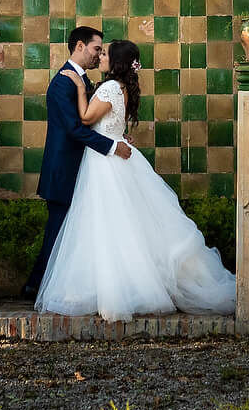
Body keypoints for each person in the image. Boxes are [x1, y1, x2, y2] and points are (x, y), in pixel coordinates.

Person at [34, 38, 237, 320]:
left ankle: (117, 289)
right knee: (122, 225)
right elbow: (110, 123)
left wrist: (81, 88)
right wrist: (116, 137)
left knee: (108, 226)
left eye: (105, 54)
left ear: (115, 61)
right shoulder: (121, 88)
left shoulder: (108, 87)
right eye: (99, 51)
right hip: (112, 157)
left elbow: (84, 118)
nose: (101, 56)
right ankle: (124, 285)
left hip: (106, 164)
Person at [22, 25, 129, 300]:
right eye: (96, 49)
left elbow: (93, 121)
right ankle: (36, 287)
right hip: (64, 172)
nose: (98, 55)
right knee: (57, 235)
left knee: (75, 234)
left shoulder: (84, 81)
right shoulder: (62, 83)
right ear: (79, 46)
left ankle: (58, 286)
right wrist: (111, 146)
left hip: (84, 173)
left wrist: (114, 133)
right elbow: (74, 129)